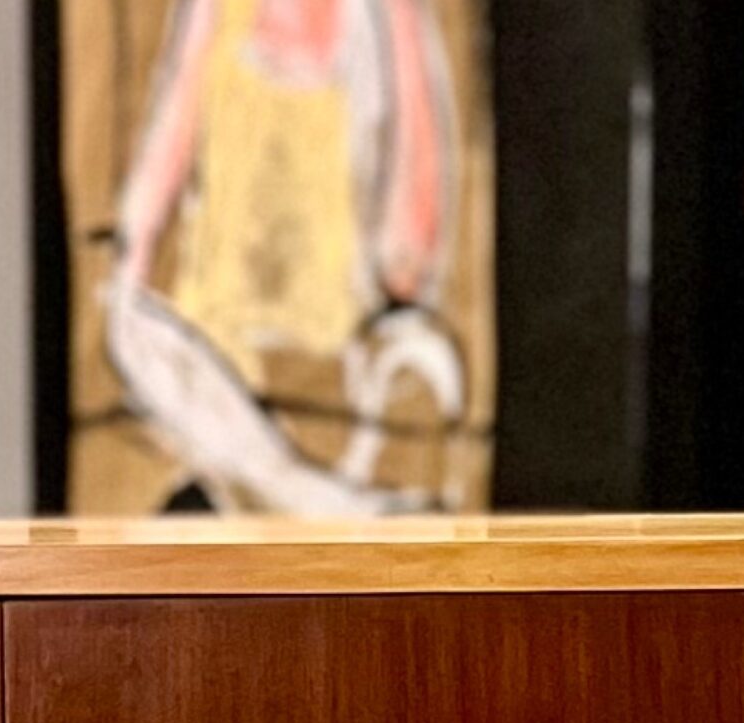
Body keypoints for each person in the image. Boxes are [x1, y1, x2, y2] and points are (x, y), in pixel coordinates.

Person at [106, 0, 474, 513]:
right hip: (214, 346)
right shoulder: (214, 10)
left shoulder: (381, 17)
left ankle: (310, 496)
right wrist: (134, 253)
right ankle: (315, 498)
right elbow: (174, 125)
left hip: (330, 360)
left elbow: (410, 241)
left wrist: (402, 276)